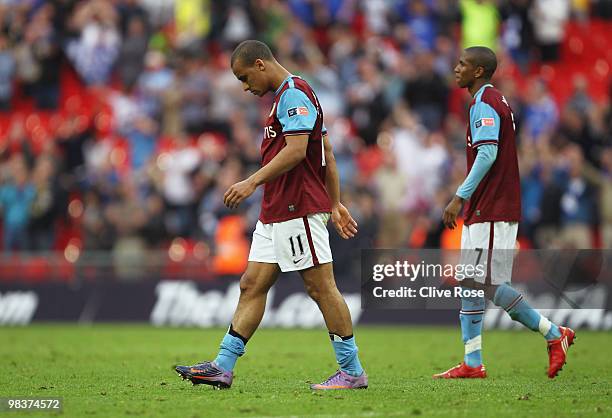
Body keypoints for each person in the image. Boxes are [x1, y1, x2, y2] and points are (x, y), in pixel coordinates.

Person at [175, 40, 367, 390]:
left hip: (298, 208)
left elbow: (297, 152)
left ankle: (352, 372)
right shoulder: (285, 97)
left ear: (260, 64)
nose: (245, 87)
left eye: (245, 78)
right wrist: (336, 202)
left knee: (321, 287)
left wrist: (251, 182)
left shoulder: (293, 93)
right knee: (252, 284)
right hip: (277, 210)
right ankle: (222, 366)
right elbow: (325, 151)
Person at [435, 46, 574, 379]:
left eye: (463, 64)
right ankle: (472, 361)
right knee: (472, 282)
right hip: (487, 207)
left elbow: (487, 155)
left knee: (491, 284)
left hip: (493, 206)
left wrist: (459, 196)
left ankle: (554, 333)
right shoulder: (495, 101)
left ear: (479, 71)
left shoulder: (485, 103)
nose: (456, 69)